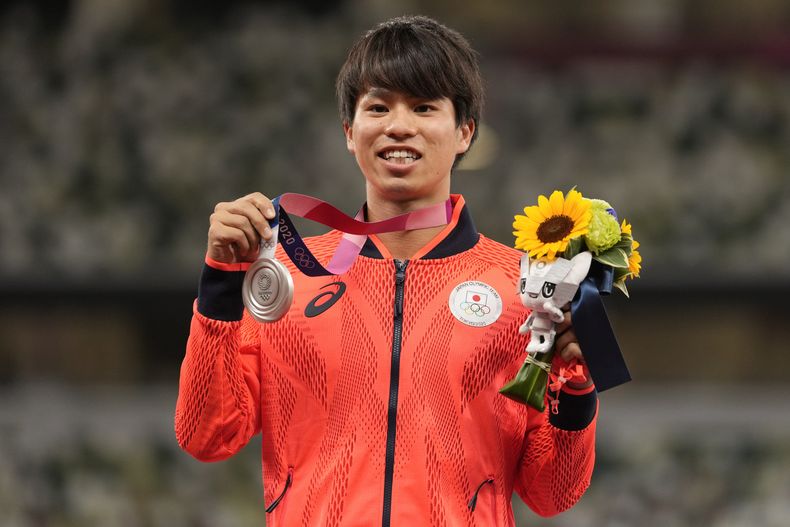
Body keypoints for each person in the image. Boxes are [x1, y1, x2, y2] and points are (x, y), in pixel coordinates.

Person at [175, 15, 597, 526]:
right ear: (350, 132)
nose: (399, 125)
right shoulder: (285, 277)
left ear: (464, 131)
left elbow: (552, 494)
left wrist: (575, 391)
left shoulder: (525, 291)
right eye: (378, 107)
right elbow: (206, 436)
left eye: (423, 107)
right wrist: (220, 284)